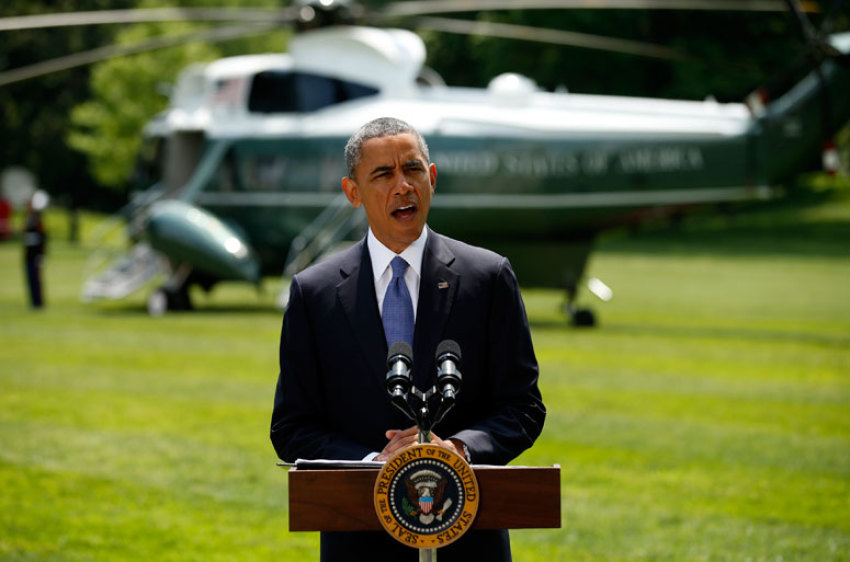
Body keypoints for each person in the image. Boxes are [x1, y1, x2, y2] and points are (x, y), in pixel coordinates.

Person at [270, 117, 545, 561]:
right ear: (352, 192)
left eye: (413, 170)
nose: (403, 186)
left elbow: (523, 407)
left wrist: (455, 450)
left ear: (432, 178)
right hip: (358, 540)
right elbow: (292, 428)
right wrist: (376, 464)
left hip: (470, 540)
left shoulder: (488, 277)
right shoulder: (313, 292)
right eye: (383, 174)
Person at [23, 190, 49, 309]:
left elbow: (43, 237)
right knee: (30, 278)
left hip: (35, 254)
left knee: (36, 278)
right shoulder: (29, 217)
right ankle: (34, 302)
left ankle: (38, 303)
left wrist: (41, 254)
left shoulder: (37, 219)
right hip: (28, 253)